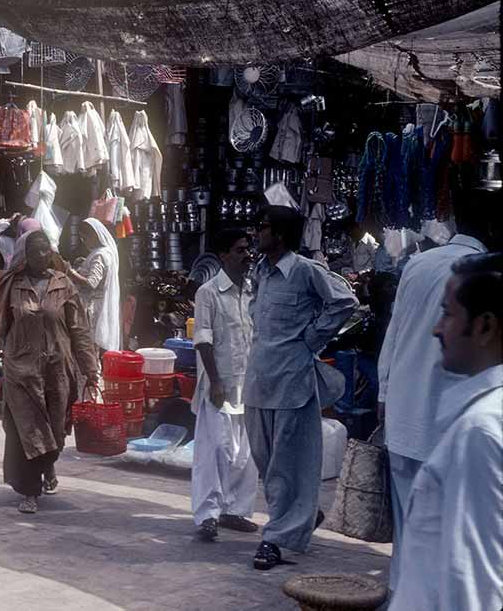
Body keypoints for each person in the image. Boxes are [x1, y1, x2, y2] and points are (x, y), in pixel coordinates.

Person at [376, 189, 496, 591]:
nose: (439, 326)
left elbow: (393, 333)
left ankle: (401, 592)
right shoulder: (478, 276)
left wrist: (383, 391)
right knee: (442, 534)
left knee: (412, 531)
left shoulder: (418, 263)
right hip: (438, 417)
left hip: (403, 408)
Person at [245, 206, 357, 570]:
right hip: (259, 380)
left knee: (285, 466)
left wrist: (312, 338)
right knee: (265, 461)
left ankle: (276, 539)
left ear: (278, 234)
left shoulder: (306, 271)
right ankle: (301, 516)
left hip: (292, 382)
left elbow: (344, 301)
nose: (255, 234)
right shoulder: (260, 272)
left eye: (262, 227)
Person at [390, 253, 503, 610]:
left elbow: (473, 581)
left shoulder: (479, 431)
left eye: (448, 313)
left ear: (485, 327)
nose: (437, 328)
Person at [0, 230, 99, 514]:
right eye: (34, 251)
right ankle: (30, 491)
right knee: (27, 430)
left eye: (44, 250)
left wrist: (91, 369)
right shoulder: (12, 285)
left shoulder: (64, 285)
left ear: (51, 252)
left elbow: (80, 331)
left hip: (57, 369)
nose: (40, 255)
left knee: (55, 430)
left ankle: (48, 467)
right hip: (20, 370)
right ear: (25, 254)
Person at [190, 229, 259, 542]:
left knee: (246, 451)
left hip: (249, 382)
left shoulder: (252, 290)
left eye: (248, 249)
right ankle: (208, 515)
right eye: (240, 249)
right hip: (220, 383)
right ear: (223, 256)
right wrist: (215, 381)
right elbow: (203, 339)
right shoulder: (209, 292)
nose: (247, 254)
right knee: (215, 449)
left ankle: (236, 510)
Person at [67, 217, 121, 353]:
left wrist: (70, 272)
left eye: (85, 238)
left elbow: (91, 283)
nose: (84, 242)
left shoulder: (99, 255)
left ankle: (93, 372)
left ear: (94, 235)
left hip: (93, 307)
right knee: (92, 346)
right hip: (98, 304)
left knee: (89, 346)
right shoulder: (105, 252)